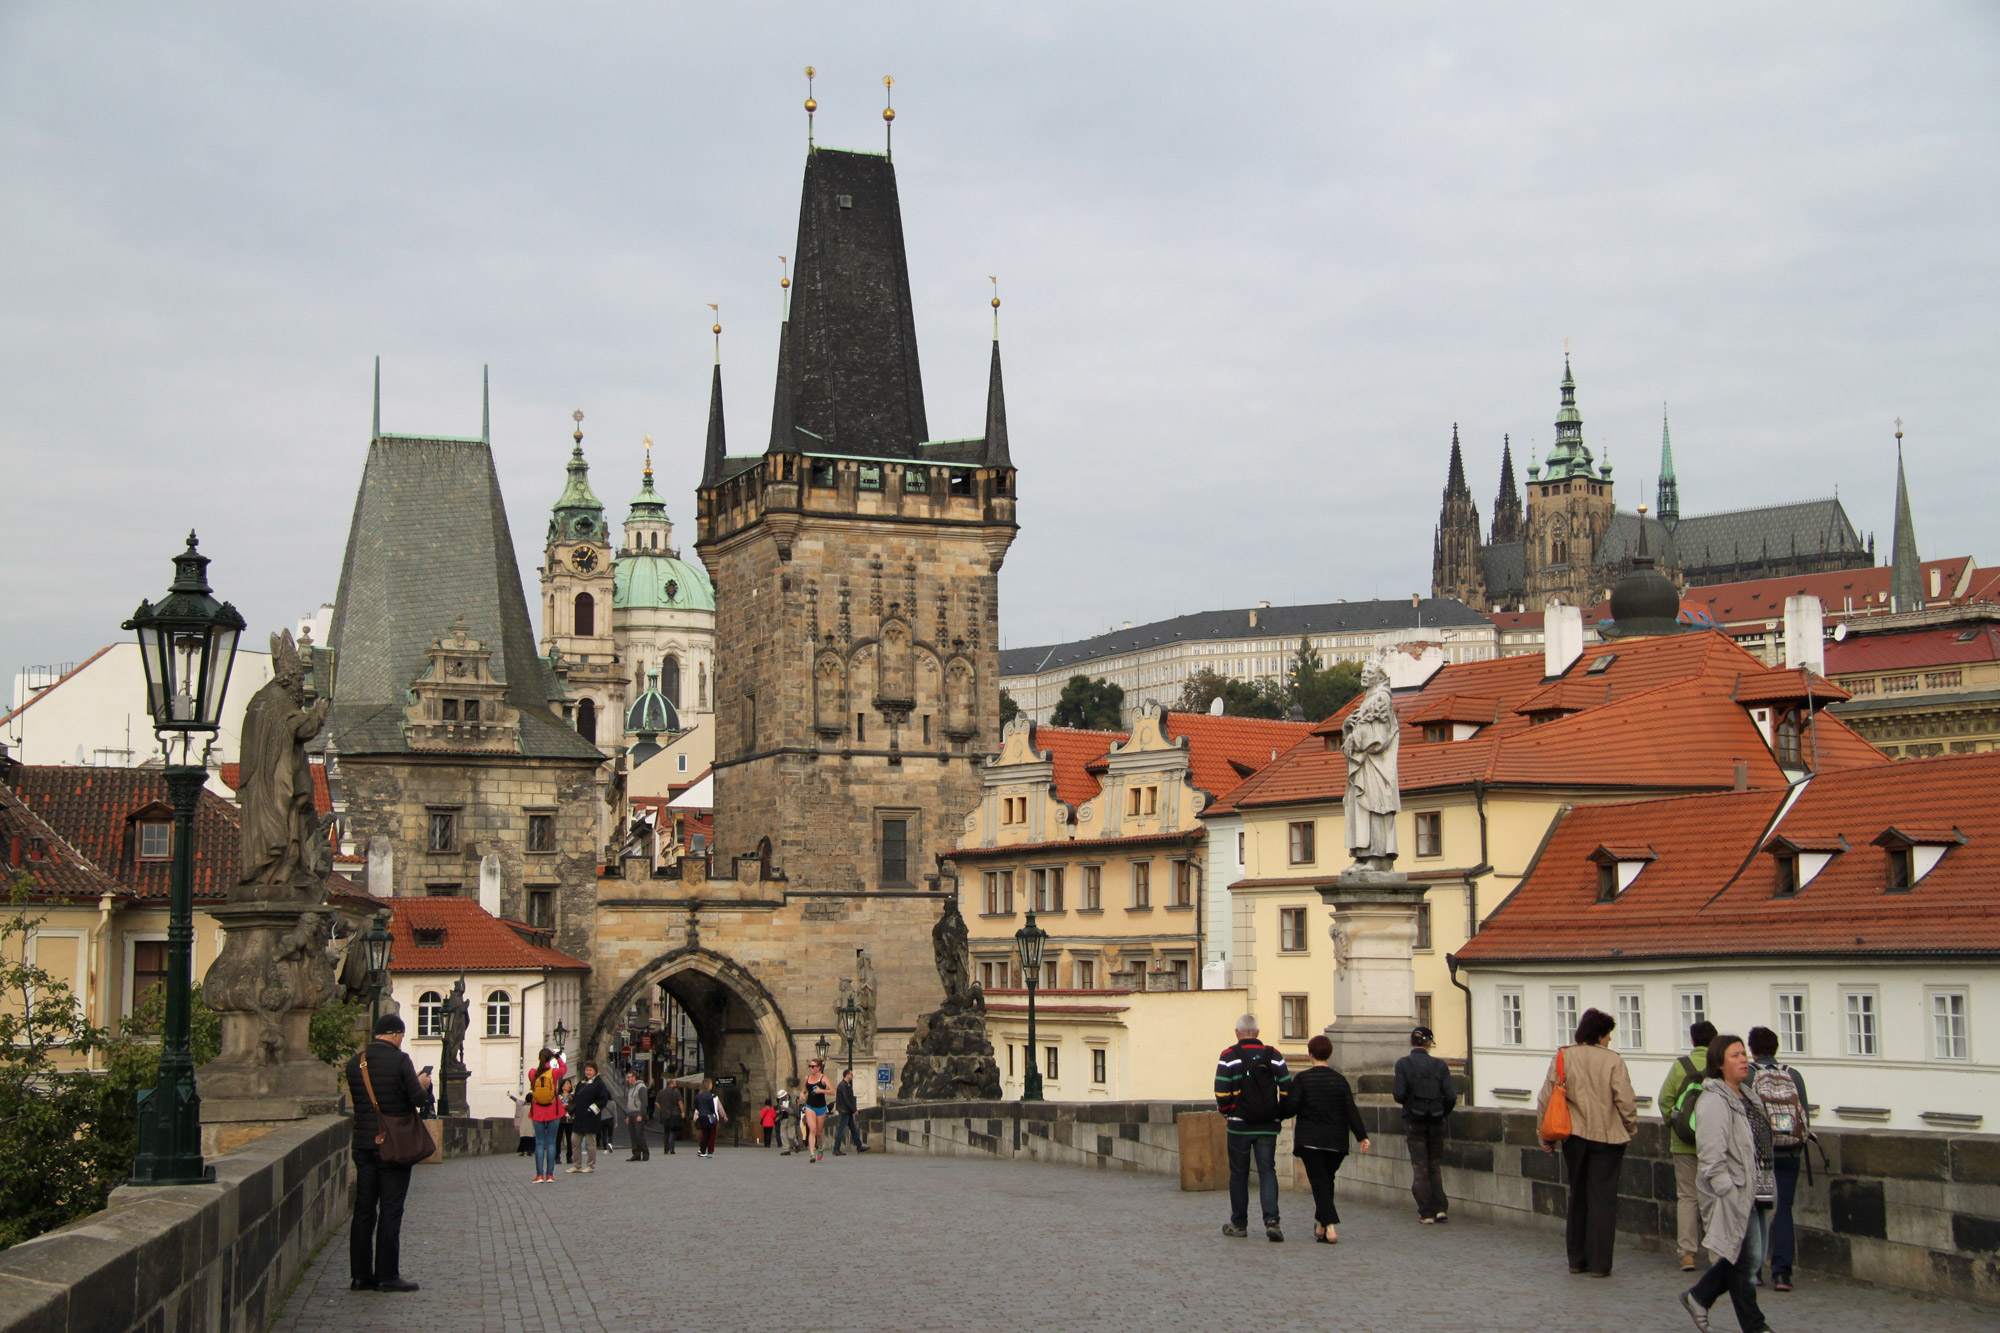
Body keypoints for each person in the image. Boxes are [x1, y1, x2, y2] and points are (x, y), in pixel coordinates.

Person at [1680, 1034, 1775, 1333]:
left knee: (1750, 1257)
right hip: (1735, 1190)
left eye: (1744, 1054)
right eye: (1735, 1055)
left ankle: (1698, 1296)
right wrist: (1727, 1189)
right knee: (1745, 1260)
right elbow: (1710, 1152)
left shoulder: (1749, 1096)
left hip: (1758, 1187)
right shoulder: (1714, 1100)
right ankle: (1755, 1326)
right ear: (1719, 1064)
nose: (1743, 1059)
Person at [1536, 1006, 1637, 1277]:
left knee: (1578, 1196)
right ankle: (1600, 1264)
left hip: (1575, 1137)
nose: (1610, 1041)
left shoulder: (1564, 1056)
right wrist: (1631, 1127)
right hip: (1607, 1137)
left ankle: (1576, 1260)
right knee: (1603, 1200)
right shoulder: (1613, 1061)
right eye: (1608, 1035)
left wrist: (1544, 1136)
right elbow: (1625, 1100)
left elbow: (1546, 1098)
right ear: (1600, 1034)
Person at [345, 1013, 432, 1292]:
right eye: (401, 1037)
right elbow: (417, 1100)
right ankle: (386, 1275)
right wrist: (423, 1085)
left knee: (363, 1210)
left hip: (363, 1144)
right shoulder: (400, 1060)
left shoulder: (355, 1063)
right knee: (391, 1209)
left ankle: (360, 1276)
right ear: (395, 1035)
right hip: (393, 1146)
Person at [1214, 1013, 1293, 1242]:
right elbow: (1287, 1090)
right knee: (1267, 1171)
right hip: (1267, 1125)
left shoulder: (1228, 1056)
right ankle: (1272, 1221)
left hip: (1239, 1126)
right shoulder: (1274, 1055)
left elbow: (1221, 1092)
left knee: (1239, 1174)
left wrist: (1230, 1112)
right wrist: (1277, 1114)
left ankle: (1239, 1224)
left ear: (1237, 1033)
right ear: (1257, 1033)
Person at [1747, 1025, 1810, 1293]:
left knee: (1756, 1209)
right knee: (1783, 1209)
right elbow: (1804, 1114)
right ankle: (1782, 1274)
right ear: (1776, 1048)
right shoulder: (1792, 1074)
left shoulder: (1748, 1074)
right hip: (1790, 1151)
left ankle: (1755, 1270)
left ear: (1751, 1050)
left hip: (1760, 1154)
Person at [1291, 1033, 1371, 1243]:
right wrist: (1362, 1136)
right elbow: (1350, 1111)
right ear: (1329, 1054)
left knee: (1319, 1182)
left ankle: (1331, 1227)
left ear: (1310, 1055)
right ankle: (1320, 1226)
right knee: (1326, 1180)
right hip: (1336, 1142)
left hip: (1310, 1140)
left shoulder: (1303, 1079)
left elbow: (1291, 1107)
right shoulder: (1340, 1080)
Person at [1660, 1019, 1720, 1271]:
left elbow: (1665, 1100)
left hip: (1684, 1143)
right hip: (1715, 1143)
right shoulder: (1719, 1065)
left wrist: (1676, 1126)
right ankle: (1718, 1254)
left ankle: (1687, 1253)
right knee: (1717, 1196)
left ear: (1692, 1041)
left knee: (1687, 1197)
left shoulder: (1680, 1065)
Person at [1392, 1025, 1457, 1224]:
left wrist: (1413, 1105)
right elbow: (1451, 1096)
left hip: (1414, 1121)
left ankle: (1426, 1212)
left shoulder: (1403, 1064)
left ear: (1412, 1042)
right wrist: (1440, 1112)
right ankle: (1440, 1209)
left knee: (1420, 1166)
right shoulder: (1440, 1065)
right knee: (1434, 1165)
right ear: (1429, 1043)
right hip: (1436, 1120)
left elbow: (1398, 1094)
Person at [526, 1047, 568, 1183]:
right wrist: (557, 1056)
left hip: (537, 1111)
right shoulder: (554, 1073)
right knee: (551, 1143)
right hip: (553, 1110)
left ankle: (539, 1175)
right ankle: (550, 1175)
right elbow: (564, 1068)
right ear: (550, 1059)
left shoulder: (532, 1073)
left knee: (539, 1143)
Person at [567, 1062, 613, 1173]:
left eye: (590, 1070)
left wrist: (592, 1109)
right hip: (579, 1117)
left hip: (591, 1118)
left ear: (595, 1071)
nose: (588, 1072)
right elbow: (575, 1098)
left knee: (590, 1143)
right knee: (575, 1140)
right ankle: (577, 1165)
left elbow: (603, 1100)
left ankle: (590, 1165)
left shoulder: (599, 1084)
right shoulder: (581, 1083)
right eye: (587, 1070)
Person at [802, 1058, 833, 1162]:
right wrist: (802, 1094)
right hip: (810, 1106)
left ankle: (820, 1146)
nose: (811, 1068)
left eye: (813, 1066)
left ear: (818, 1068)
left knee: (819, 1132)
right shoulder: (807, 1078)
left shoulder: (823, 1078)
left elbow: (833, 1091)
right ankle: (811, 1154)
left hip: (821, 1107)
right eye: (810, 1066)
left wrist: (821, 1090)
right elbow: (804, 1090)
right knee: (812, 1129)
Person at [831, 1067, 868, 1155]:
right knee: (841, 1130)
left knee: (853, 1129)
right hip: (845, 1110)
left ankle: (859, 1146)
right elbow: (846, 1099)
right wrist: (854, 1110)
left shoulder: (845, 1085)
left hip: (846, 1110)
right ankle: (836, 1149)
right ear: (847, 1075)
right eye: (851, 1074)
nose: (852, 1076)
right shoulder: (843, 1085)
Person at [623, 1069, 652, 1161]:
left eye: (629, 1077)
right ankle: (636, 1153)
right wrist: (628, 1115)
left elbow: (644, 1102)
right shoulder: (631, 1088)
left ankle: (645, 1153)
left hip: (638, 1113)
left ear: (634, 1077)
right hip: (631, 1114)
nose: (627, 1079)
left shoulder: (641, 1087)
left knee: (639, 1134)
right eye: (627, 1077)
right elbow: (629, 1102)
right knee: (633, 1135)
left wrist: (641, 1114)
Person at [693, 1077, 725, 1157]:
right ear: (708, 1085)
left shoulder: (698, 1095)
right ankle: (703, 1151)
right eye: (711, 1084)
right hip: (708, 1116)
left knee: (704, 1134)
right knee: (708, 1134)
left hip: (701, 1116)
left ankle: (702, 1149)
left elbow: (696, 1106)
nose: (712, 1086)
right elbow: (712, 1107)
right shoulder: (711, 1096)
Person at [555, 1076, 577, 1167]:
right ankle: (557, 1156)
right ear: (562, 1086)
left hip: (569, 1119)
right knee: (558, 1138)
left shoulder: (572, 1096)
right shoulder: (558, 1096)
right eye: (566, 1084)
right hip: (560, 1119)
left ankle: (569, 1156)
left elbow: (574, 1105)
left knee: (569, 1138)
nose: (568, 1086)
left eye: (569, 1084)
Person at [658, 1081, 683, 1155]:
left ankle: (666, 1149)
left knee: (666, 1132)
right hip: (674, 1114)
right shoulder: (676, 1092)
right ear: (671, 1084)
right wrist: (682, 1111)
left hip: (665, 1114)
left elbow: (656, 1102)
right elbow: (680, 1102)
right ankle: (672, 1149)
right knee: (672, 1131)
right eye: (675, 1083)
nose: (676, 1085)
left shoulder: (661, 1092)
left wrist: (661, 1109)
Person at [508, 1085, 534, 1156]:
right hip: (531, 1125)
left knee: (524, 1138)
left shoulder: (522, 1106)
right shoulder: (534, 1107)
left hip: (523, 1125)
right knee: (531, 1138)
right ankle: (530, 1151)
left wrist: (510, 1095)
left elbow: (517, 1100)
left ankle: (524, 1151)